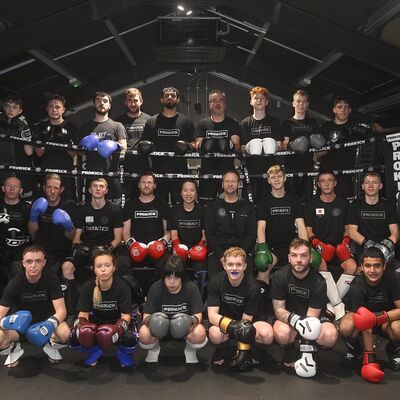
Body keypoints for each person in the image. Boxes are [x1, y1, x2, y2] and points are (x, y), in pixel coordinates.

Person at [271, 238, 338, 378]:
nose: (299, 260)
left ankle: (312, 352)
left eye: (303, 255)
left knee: (330, 336)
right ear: (289, 258)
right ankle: (289, 350)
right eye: (294, 255)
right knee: (282, 334)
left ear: (311, 257)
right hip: (290, 317)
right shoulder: (279, 276)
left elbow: (311, 319)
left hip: (313, 318)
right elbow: (279, 310)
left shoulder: (319, 281)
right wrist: (295, 321)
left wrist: (306, 355)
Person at [61, 178, 123, 316]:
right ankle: (71, 312)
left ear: (106, 190)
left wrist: (107, 249)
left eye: (101, 186)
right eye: (95, 186)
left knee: (102, 267)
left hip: (105, 250)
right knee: (66, 267)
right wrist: (77, 247)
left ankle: (103, 311)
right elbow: (76, 236)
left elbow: (118, 238)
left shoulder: (114, 209)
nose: (98, 188)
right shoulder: (82, 209)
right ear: (89, 190)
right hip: (86, 248)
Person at [0, 245, 70, 367]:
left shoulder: (51, 279)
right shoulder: (15, 283)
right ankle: (14, 345)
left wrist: (49, 324)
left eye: (38, 261)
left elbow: (61, 311)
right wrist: (6, 322)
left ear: (44, 263)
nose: (33, 265)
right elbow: (0, 314)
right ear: (23, 263)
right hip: (20, 326)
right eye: (29, 261)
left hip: (45, 322)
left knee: (64, 334)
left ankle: (49, 342)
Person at [339, 247, 400, 383]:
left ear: (384, 266)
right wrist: (370, 358)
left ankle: (394, 350)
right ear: (361, 267)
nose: (372, 270)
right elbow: (363, 321)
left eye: (377, 266)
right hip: (363, 325)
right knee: (346, 325)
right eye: (368, 266)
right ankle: (355, 349)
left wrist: (378, 317)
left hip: (386, 322)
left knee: (398, 327)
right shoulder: (357, 284)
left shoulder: (393, 278)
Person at [207, 247, 273, 371]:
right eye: (230, 264)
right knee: (215, 334)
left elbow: (246, 324)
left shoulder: (253, 286)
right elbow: (212, 316)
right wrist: (233, 325)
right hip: (225, 321)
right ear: (224, 265)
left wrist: (243, 351)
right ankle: (222, 349)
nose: (234, 268)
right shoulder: (215, 281)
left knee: (267, 334)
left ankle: (252, 350)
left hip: (248, 322)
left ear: (245, 266)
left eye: (238, 264)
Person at [305, 171, 358, 320]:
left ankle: (331, 305)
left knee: (352, 266)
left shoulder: (343, 203)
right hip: (319, 247)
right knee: (321, 263)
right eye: (323, 181)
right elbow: (308, 231)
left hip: (339, 246)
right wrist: (318, 244)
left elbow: (348, 228)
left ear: (335, 183)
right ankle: (338, 306)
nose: (326, 184)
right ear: (318, 184)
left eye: (330, 180)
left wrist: (345, 243)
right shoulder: (311, 205)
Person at [72, 249, 137, 367]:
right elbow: (83, 314)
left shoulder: (122, 286)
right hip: (96, 322)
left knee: (129, 337)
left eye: (107, 265)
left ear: (113, 268)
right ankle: (94, 350)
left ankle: (123, 353)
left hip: (117, 320)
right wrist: (83, 327)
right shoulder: (88, 287)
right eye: (99, 266)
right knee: (76, 334)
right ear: (94, 269)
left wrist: (117, 330)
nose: (103, 269)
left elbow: (126, 316)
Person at [139, 255, 207, 364]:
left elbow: (198, 314)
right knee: (143, 333)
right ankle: (153, 350)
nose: (172, 282)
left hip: (184, 330)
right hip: (160, 331)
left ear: (182, 277)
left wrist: (189, 321)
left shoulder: (191, 288)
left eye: (176, 277)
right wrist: (154, 321)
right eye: (168, 277)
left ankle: (190, 351)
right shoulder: (156, 288)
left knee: (199, 332)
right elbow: (146, 315)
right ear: (163, 277)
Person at [256, 165, 308, 285]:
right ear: (269, 180)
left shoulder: (294, 201)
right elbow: (261, 227)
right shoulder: (263, 202)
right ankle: (263, 300)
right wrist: (263, 248)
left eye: (279, 176)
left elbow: (301, 226)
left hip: (292, 247)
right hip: (272, 248)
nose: (277, 179)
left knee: (307, 265)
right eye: (273, 177)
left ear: (284, 178)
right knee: (263, 268)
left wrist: (306, 247)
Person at [141, 87, 195, 204]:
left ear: (178, 100)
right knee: (159, 205)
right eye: (167, 95)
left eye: (173, 95)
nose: (170, 97)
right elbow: (144, 144)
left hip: (179, 172)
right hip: (158, 172)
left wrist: (187, 146)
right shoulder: (151, 122)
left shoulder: (187, 122)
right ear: (161, 100)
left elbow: (194, 144)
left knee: (180, 205)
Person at [120, 172, 170, 294]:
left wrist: (161, 243)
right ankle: (136, 296)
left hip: (157, 249)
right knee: (120, 265)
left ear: (155, 185)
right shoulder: (130, 204)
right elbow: (125, 231)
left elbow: (168, 231)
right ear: (138, 185)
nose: (146, 185)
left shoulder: (162, 204)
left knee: (168, 266)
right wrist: (132, 245)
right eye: (143, 182)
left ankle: (155, 296)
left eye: (149, 182)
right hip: (136, 248)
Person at [205, 170, 256, 278]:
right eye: (227, 181)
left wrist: (241, 253)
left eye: (233, 181)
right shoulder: (212, 206)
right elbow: (210, 234)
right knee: (215, 281)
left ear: (239, 184)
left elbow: (251, 234)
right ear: (222, 184)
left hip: (242, 251)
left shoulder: (247, 206)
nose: (230, 184)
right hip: (219, 253)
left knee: (248, 280)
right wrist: (221, 256)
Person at [78, 91, 127, 205]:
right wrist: (84, 146)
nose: (101, 103)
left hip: (111, 175)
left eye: (105, 101)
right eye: (98, 101)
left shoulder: (117, 125)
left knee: (114, 212)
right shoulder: (85, 127)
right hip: (91, 175)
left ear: (109, 105)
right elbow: (79, 154)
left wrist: (115, 145)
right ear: (93, 104)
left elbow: (124, 147)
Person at [194, 89, 241, 203]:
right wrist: (203, 145)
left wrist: (228, 145)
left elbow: (237, 145)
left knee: (227, 206)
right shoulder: (202, 124)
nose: (218, 103)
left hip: (226, 175)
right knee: (206, 206)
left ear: (225, 104)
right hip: (207, 173)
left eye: (221, 100)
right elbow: (196, 145)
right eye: (214, 101)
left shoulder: (232, 123)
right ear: (210, 105)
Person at [240, 86, 283, 202]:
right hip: (252, 172)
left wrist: (273, 146)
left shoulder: (274, 122)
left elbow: (280, 144)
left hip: (271, 173)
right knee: (251, 205)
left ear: (267, 101)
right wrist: (251, 148)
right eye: (256, 98)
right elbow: (242, 147)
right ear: (251, 101)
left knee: (270, 203)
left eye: (262, 98)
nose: (259, 100)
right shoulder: (245, 123)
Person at [34, 94, 79, 200]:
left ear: (63, 109)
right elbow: (39, 153)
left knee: (68, 205)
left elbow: (73, 154)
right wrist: (43, 140)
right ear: (47, 109)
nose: (54, 109)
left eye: (57, 107)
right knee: (45, 206)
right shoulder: (41, 128)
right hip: (46, 172)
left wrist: (65, 140)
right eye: (51, 106)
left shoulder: (71, 128)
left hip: (66, 173)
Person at [348, 172, 399, 267]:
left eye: (374, 182)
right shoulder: (355, 205)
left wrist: (384, 247)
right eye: (367, 183)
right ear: (363, 186)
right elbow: (352, 232)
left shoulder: (388, 205)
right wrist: (370, 245)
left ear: (380, 186)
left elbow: (395, 233)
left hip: (385, 253)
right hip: (364, 253)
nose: (370, 185)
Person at [167, 179, 207, 298]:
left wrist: (200, 246)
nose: (188, 194)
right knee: (176, 266)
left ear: (196, 193)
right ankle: (179, 298)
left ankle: (199, 300)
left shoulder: (203, 210)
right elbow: (173, 235)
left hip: (198, 247)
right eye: (185, 190)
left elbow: (205, 235)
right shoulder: (174, 210)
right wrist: (178, 247)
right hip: (181, 248)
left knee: (201, 269)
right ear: (180, 193)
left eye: (192, 190)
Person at [28, 173, 75, 273]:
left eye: (56, 188)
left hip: (61, 251)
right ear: (44, 188)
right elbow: (32, 233)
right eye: (49, 187)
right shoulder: (37, 203)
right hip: (40, 250)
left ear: (61, 189)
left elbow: (71, 237)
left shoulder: (69, 205)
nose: (52, 191)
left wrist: (68, 225)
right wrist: (33, 217)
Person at [282, 89, 320, 202]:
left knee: (307, 202)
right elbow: (284, 145)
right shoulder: (287, 123)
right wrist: (293, 145)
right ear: (293, 103)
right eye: (298, 101)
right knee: (291, 202)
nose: (301, 104)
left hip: (307, 168)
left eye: (304, 101)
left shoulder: (313, 123)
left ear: (307, 104)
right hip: (291, 169)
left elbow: (319, 146)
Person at [116, 88, 151, 200]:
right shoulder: (118, 122)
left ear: (141, 101)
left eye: (135, 100)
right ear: (125, 102)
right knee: (126, 200)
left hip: (144, 165)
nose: (133, 103)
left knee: (144, 199)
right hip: (124, 166)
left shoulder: (149, 120)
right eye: (130, 100)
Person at [0, 96, 35, 201]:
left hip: (21, 171)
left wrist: (26, 135)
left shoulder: (24, 125)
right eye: (8, 106)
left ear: (20, 110)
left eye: (14, 107)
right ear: (4, 108)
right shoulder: (1, 124)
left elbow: (29, 152)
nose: (11, 110)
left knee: (26, 203)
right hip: (3, 171)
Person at [0, 176, 31, 284]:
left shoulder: (27, 208)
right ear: (3, 188)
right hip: (1, 251)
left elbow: (33, 233)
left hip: (18, 254)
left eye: (15, 186)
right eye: (9, 186)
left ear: (21, 190)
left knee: (16, 285)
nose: (12, 189)